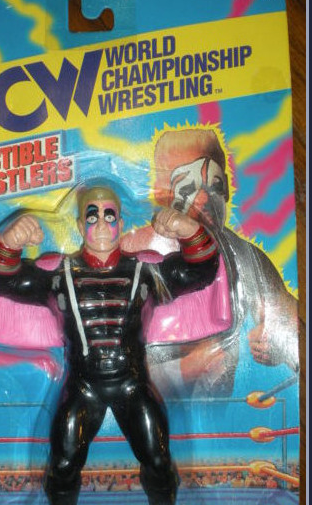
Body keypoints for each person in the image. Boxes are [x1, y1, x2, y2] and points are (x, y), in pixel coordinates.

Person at [0, 185, 219, 505]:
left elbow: (201, 271)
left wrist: (189, 230)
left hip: (133, 383)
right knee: (64, 459)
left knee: (157, 455)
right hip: (84, 385)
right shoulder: (60, 275)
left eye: (109, 214)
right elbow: (4, 280)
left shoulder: (145, 272)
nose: (102, 223)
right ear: (80, 225)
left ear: (121, 222)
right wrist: (9, 242)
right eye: (92, 215)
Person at [122, 128, 299, 396]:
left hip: (220, 412)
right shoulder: (132, 251)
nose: (204, 199)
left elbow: (290, 324)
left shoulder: (241, 256)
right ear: (161, 193)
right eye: (188, 187)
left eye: (214, 186)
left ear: (226, 189)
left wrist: (279, 340)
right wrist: (189, 367)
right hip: (139, 405)